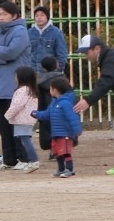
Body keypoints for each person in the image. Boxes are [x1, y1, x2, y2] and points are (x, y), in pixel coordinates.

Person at [0, 0, 32, 169]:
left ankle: (24, 158)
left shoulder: (21, 31)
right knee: (3, 125)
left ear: (14, 15)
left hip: (14, 85)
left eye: (5, 14)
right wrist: (1, 54)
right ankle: (9, 159)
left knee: (17, 124)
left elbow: (12, 52)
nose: (1, 17)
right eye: (0, 13)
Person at [71, 35, 114, 175]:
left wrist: (88, 100)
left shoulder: (110, 59)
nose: (85, 56)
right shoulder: (108, 57)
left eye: (86, 52)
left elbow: (106, 82)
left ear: (97, 48)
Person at [35, 76, 84, 178]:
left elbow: (72, 117)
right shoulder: (54, 102)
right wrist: (36, 114)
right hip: (56, 133)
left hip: (65, 133)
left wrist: (77, 130)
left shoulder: (66, 103)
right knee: (57, 152)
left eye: (50, 88)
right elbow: (47, 114)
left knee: (65, 152)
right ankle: (61, 169)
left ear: (55, 90)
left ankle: (69, 169)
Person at [5, 66, 42, 172]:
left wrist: (8, 115)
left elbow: (17, 105)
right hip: (27, 119)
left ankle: (34, 160)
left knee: (25, 140)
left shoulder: (22, 90)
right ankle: (31, 161)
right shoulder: (30, 89)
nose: (15, 78)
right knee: (24, 140)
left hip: (22, 119)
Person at [36, 55, 64, 155]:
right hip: (60, 108)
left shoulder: (40, 81)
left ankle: (52, 150)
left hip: (45, 108)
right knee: (60, 129)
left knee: (47, 130)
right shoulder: (62, 79)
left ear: (43, 68)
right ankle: (60, 149)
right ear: (56, 65)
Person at [28, 6, 68, 70]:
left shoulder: (56, 32)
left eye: (42, 15)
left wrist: (57, 70)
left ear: (47, 17)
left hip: (50, 71)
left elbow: (62, 53)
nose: (39, 18)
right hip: (32, 71)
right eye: (36, 16)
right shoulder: (29, 33)